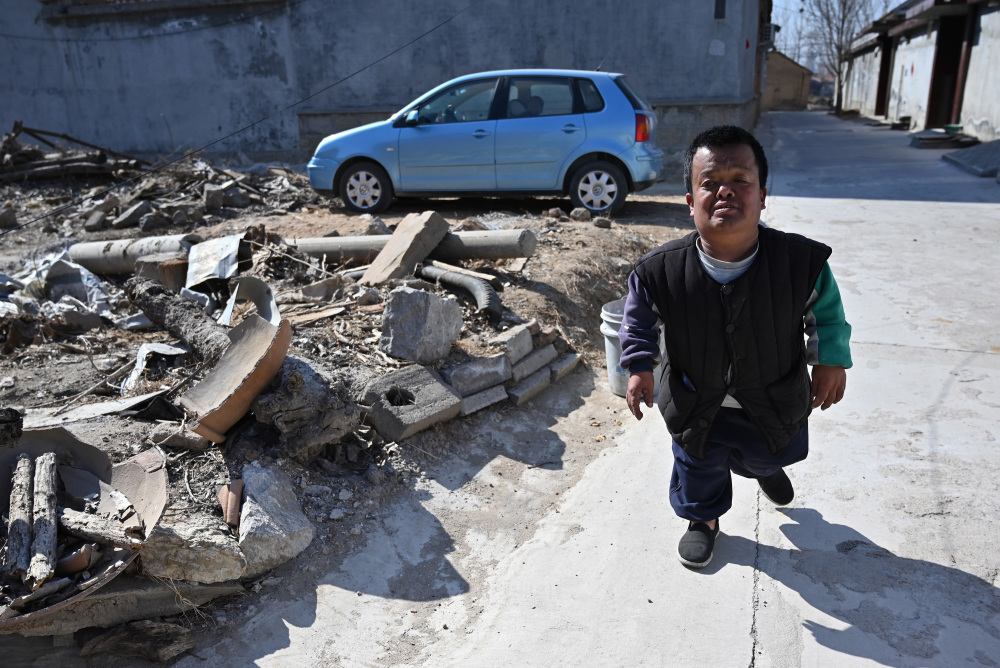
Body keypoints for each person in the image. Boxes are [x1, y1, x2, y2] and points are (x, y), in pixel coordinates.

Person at [618, 125, 852, 569]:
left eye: (740, 181)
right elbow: (639, 322)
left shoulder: (799, 263)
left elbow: (827, 314)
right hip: (693, 396)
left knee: (769, 449)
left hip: (771, 394)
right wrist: (638, 367)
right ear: (690, 203)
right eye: (709, 183)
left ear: (762, 196)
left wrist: (830, 360)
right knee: (698, 462)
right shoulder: (658, 271)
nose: (725, 191)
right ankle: (703, 520)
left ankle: (763, 469)